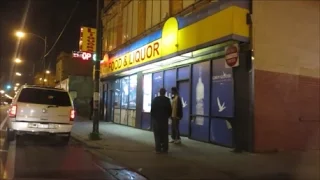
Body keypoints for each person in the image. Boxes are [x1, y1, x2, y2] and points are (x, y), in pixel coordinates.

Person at [151, 88, 172, 154]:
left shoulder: (155, 100)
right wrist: (166, 117)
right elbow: (170, 110)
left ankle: (158, 149)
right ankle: (165, 149)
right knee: (165, 135)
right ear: (165, 92)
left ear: (159, 92)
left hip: (157, 120)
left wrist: (154, 117)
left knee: (157, 135)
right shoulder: (167, 100)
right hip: (164, 120)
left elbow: (152, 110)